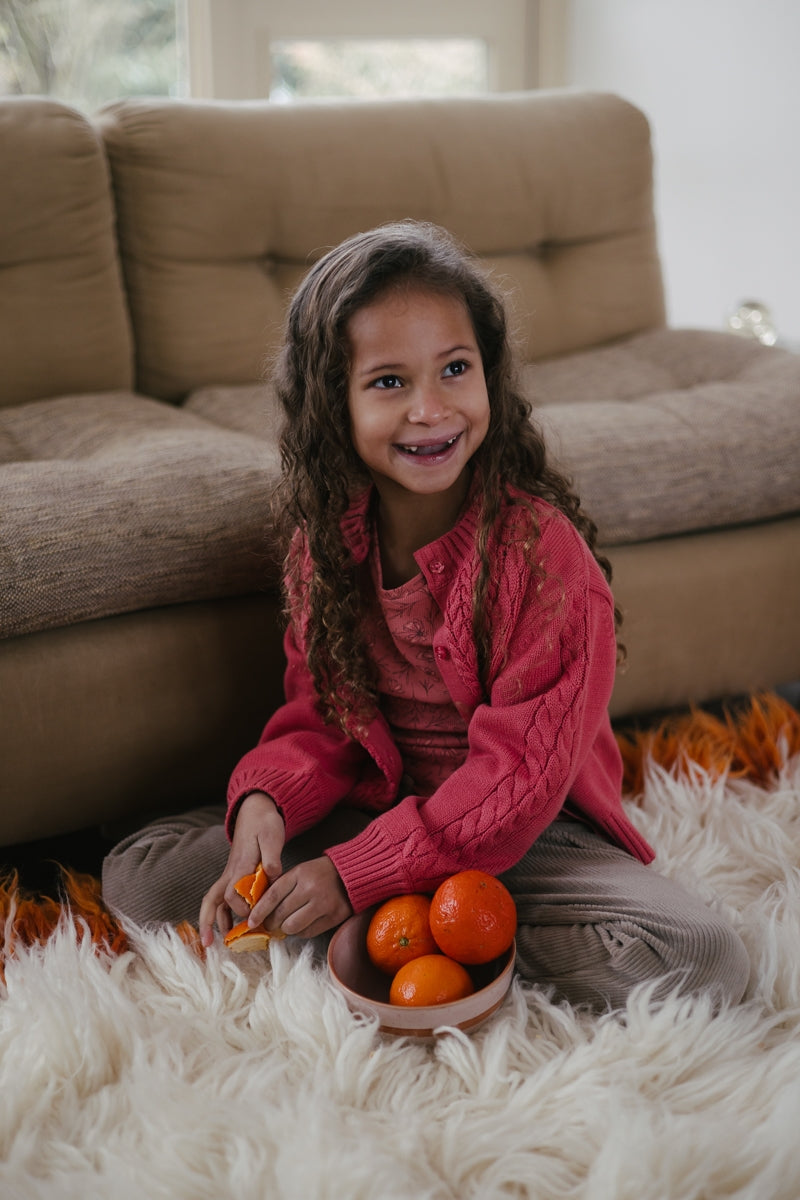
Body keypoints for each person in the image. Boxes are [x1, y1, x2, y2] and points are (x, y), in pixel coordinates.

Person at [103, 221, 750, 1011]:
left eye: (454, 369)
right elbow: (322, 717)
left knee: (696, 958)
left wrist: (354, 876)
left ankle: (395, 924)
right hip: (377, 808)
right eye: (388, 382)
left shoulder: (542, 557)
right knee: (141, 872)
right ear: (329, 405)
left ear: (491, 378)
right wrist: (266, 809)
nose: (431, 409)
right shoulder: (324, 543)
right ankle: (397, 923)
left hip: (527, 833)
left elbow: (518, 779)